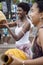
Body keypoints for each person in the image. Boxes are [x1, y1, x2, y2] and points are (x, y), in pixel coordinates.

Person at [4, 0, 43, 65]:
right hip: (19, 48)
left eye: (32, 11)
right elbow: (37, 57)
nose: (30, 14)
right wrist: (22, 57)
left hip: (24, 47)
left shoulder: (41, 31)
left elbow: (17, 37)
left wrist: (22, 62)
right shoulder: (39, 31)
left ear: (41, 15)